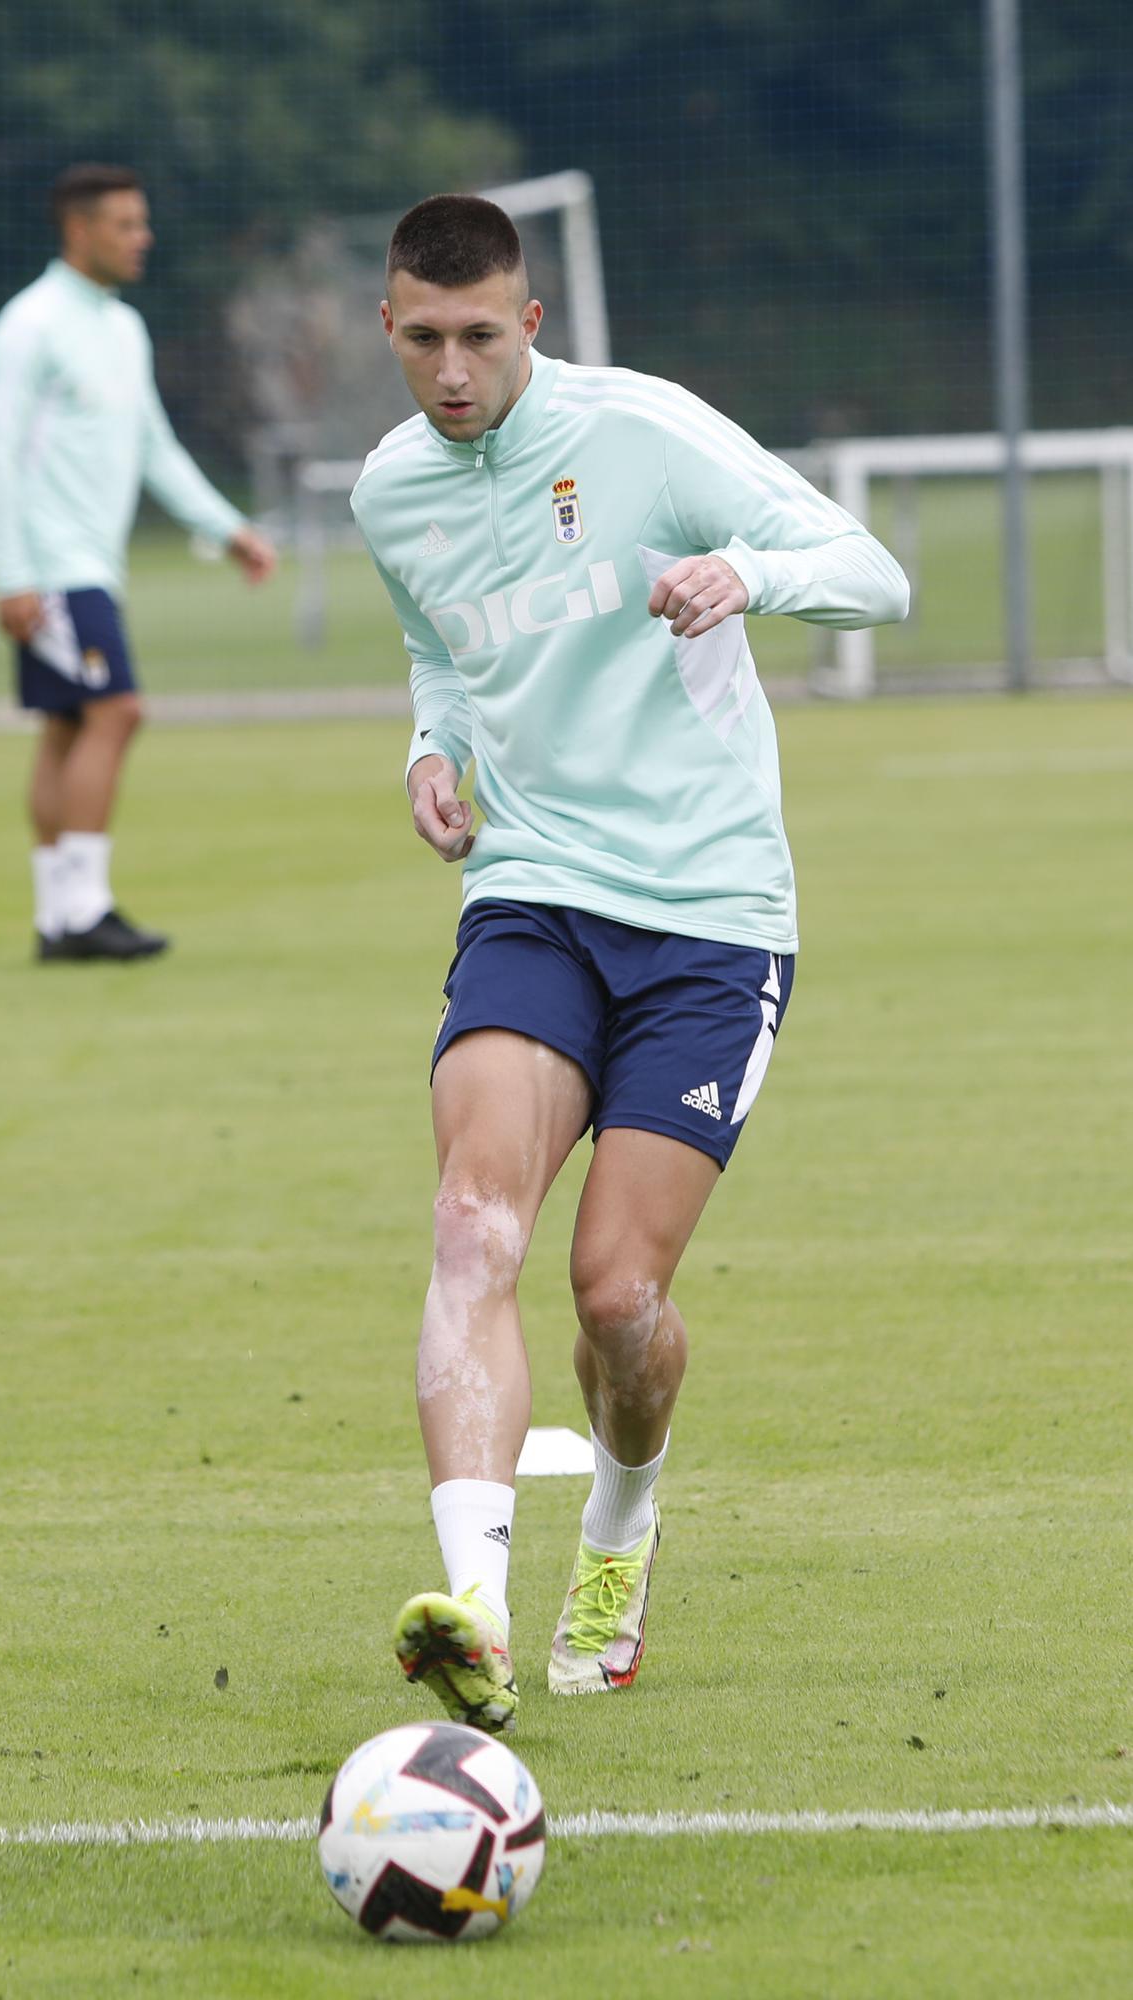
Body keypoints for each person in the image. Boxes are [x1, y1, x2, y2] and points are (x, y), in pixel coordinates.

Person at [351, 194, 909, 1733]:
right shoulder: (391, 493)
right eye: (422, 339)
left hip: (710, 915)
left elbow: (871, 570)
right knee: (473, 1227)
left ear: (527, 325)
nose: (452, 370)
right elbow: (441, 653)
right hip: (529, 894)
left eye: (479, 337)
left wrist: (748, 577)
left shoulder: (644, 435)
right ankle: (469, 1612)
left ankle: (620, 1520)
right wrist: (431, 746)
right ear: (385, 331)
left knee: (614, 1298)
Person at [0, 163, 277, 961]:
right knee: (117, 711)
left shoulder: (122, 327)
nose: (143, 238)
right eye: (126, 224)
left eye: (143, 223)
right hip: (52, 566)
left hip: (90, 567)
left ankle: (55, 917)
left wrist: (229, 527)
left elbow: (155, 448)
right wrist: (12, 575)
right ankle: (83, 912)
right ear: (80, 229)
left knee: (70, 726)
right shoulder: (28, 325)